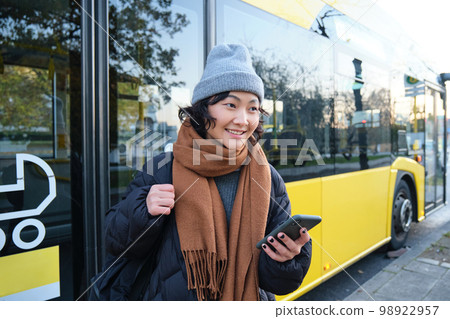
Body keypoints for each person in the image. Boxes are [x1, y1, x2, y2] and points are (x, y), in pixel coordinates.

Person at [105, 44, 312, 301]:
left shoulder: (268, 177)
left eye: (252, 108)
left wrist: (287, 259)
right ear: (204, 110)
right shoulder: (161, 169)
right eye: (230, 105)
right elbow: (114, 242)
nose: (243, 119)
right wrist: (143, 211)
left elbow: (275, 283)